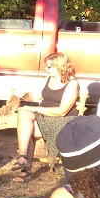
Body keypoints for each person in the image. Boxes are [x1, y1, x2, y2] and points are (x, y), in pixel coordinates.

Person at [12, 53, 80, 181]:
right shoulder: (49, 78)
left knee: (27, 127)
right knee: (24, 115)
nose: (46, 69)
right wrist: (23, 95)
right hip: (44, 117)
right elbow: (32, 96)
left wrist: (34, 108)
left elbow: (62, 111)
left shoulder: (72, 83)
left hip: (63, 122)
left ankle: (25, 168)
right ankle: (22, 157)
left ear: (59, 67)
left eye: (49, 67)